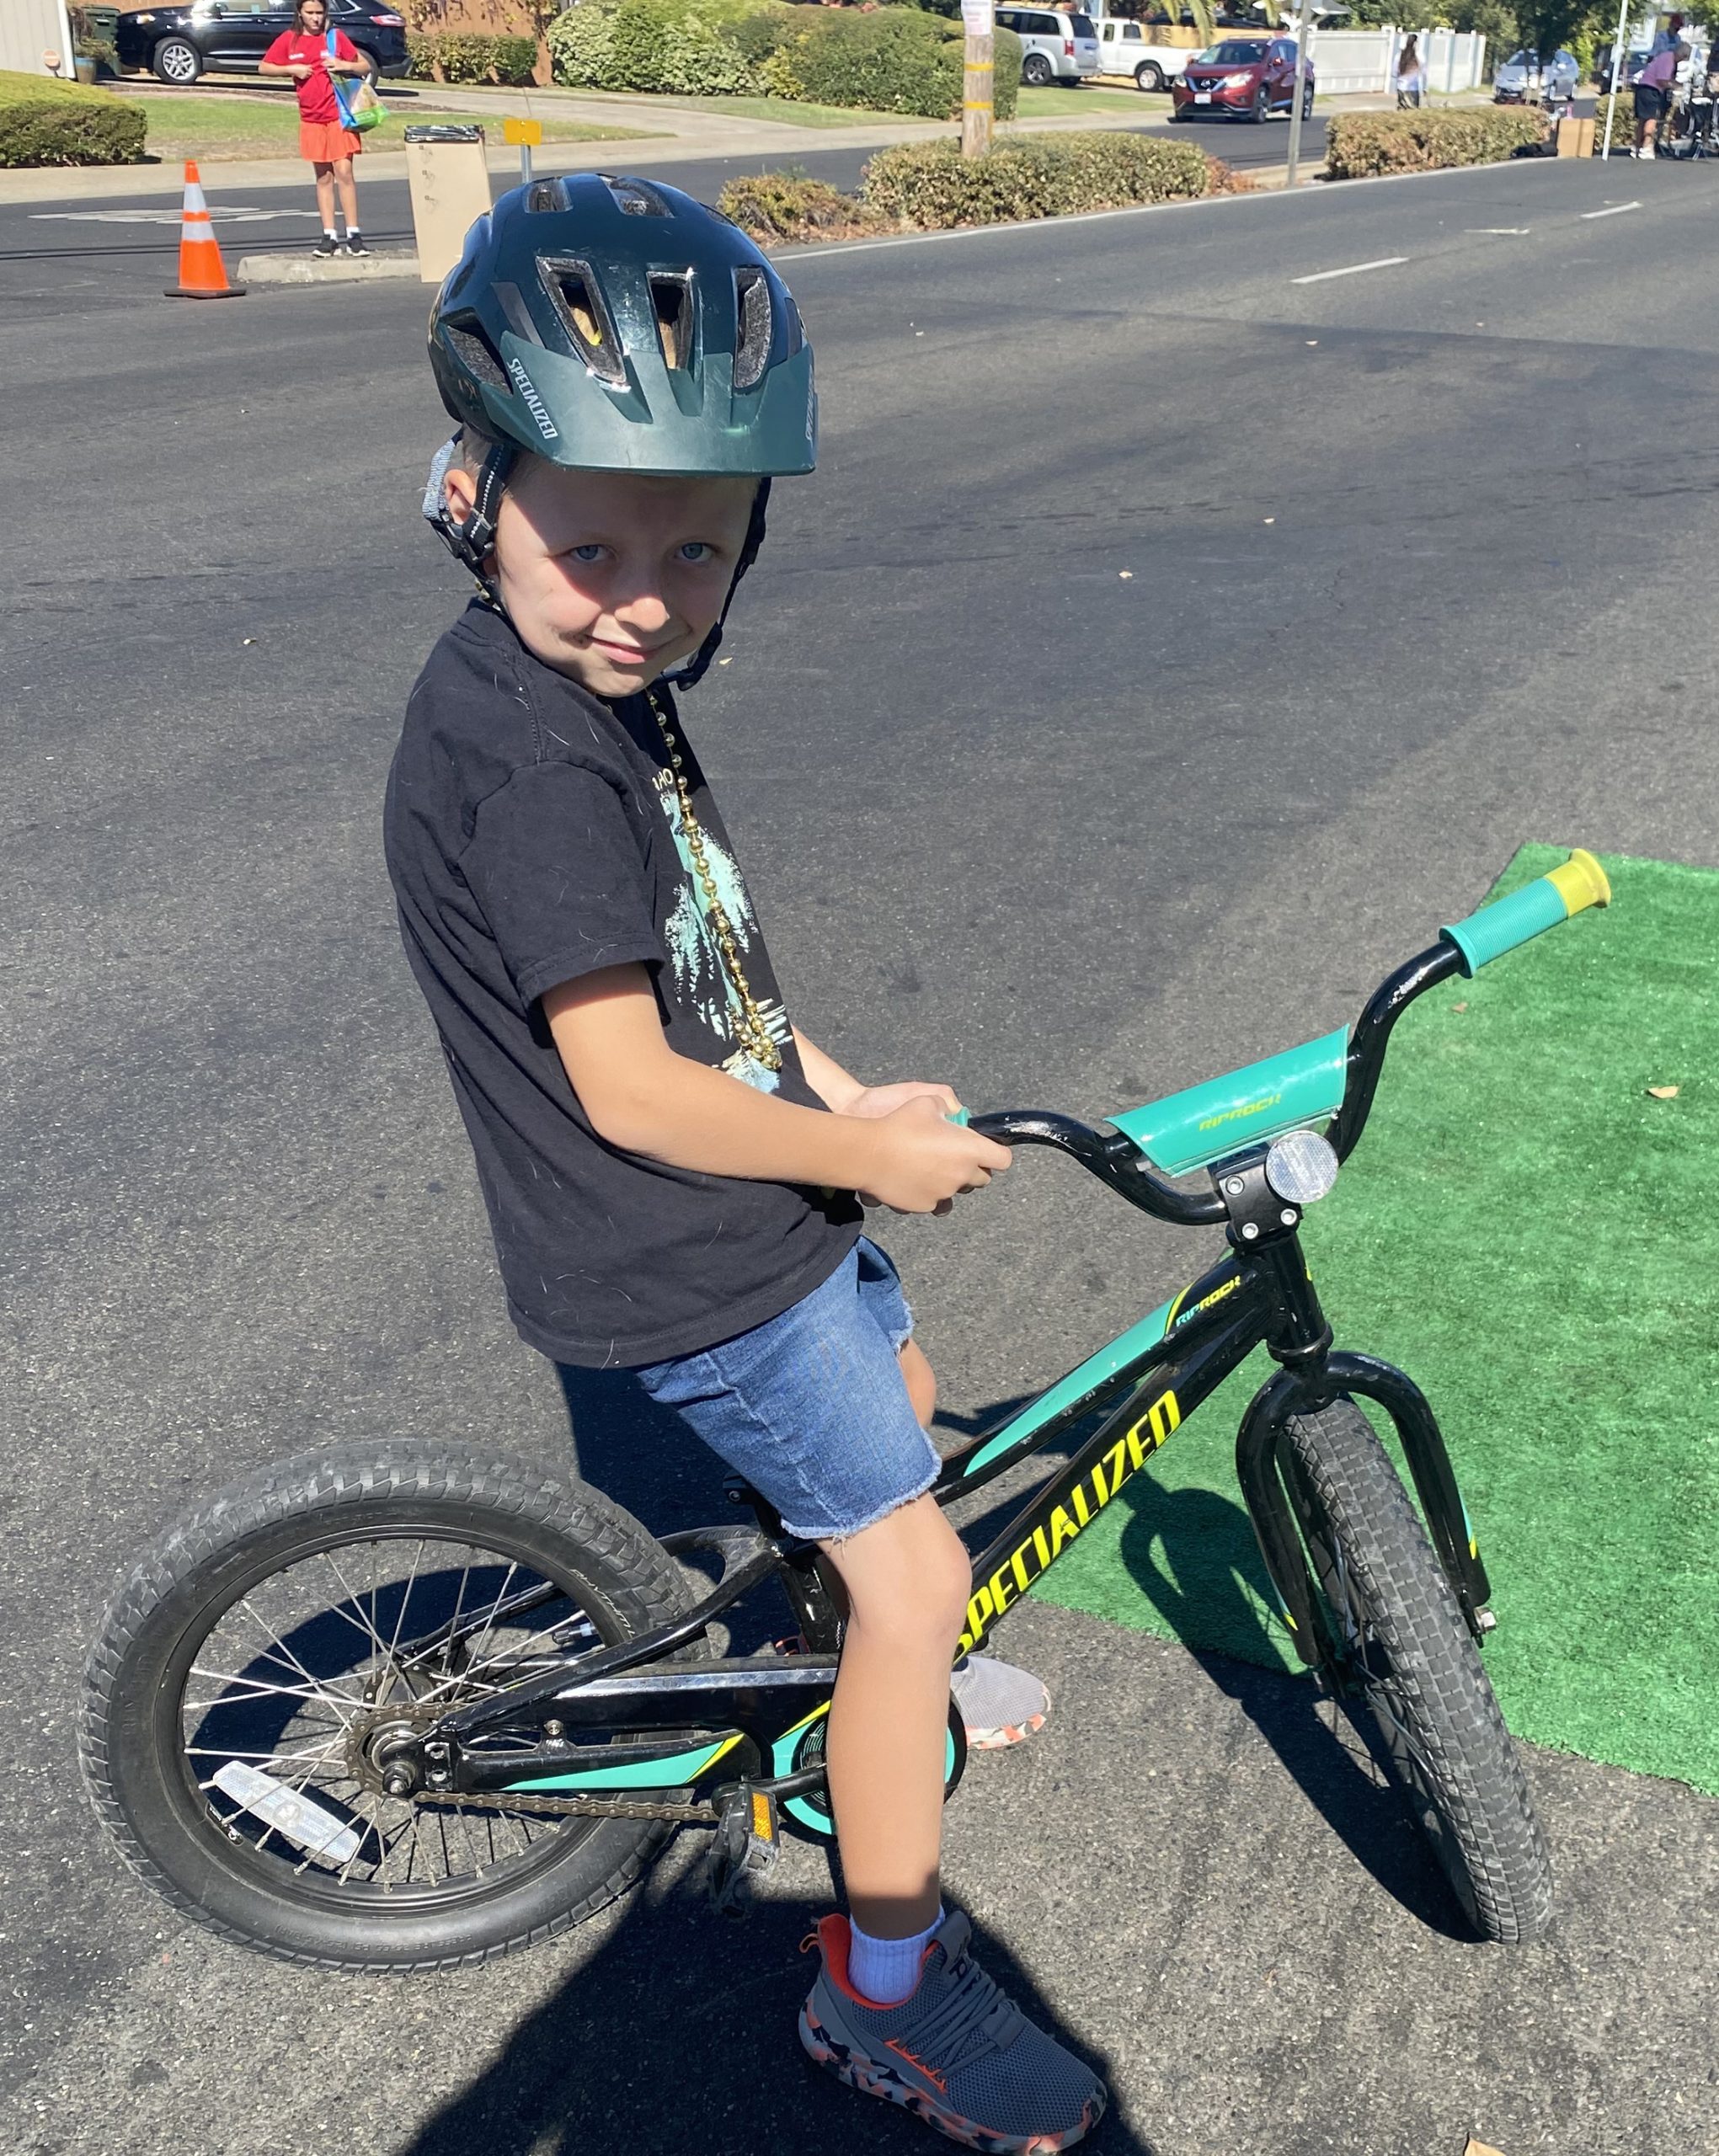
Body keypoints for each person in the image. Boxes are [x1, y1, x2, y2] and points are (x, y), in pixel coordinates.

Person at [384, 174, 1106, 2149]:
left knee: (901, 1398)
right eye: (588, 535)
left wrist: (849, 1104)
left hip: (754, 1212)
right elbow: (631, 1085)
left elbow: (713, 966)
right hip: (682, 1240)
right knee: (909, 1570)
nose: (641, 591)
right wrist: (850, 1161)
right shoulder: (536, 757)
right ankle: (881, 1991)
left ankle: (884, 1680)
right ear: (475, 484)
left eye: (696, 549)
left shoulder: (602, 694)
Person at [259, 0, 369, 257]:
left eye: (320, 13)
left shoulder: (335, 38)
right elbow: (264, 67)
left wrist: (344, 65)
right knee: (323, 177)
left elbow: (364, 65)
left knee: (344, 172)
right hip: (311, 118)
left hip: (339, 116)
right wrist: (290, 69)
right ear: (300, 13)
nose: (316, 18)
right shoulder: (290, 40)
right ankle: (329, 236)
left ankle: (354, 234)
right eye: (310, 13)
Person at [1632, 37, 1684, 154]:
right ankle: (1646, 148)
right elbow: (1662, 80)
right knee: (1651, 119)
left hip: (1642, 87)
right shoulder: (1669, 60)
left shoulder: (1664, 56)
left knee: (1642, 119)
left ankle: (1636, 147)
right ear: (1681, 55)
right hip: (1651, 90)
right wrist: (1676, 86)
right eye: (1684, 57)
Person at [1395, 32, 1424, 107]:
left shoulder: (1399, 55)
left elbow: (1394, 72)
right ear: (1416, 44)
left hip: (1401, 88)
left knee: (1402, 111)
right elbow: (1424, 73)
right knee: (1413, 112)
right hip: (1414, 89)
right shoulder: (1419, 56)